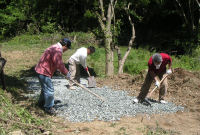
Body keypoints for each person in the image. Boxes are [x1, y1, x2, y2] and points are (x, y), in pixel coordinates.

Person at [35, 38, 71, 115]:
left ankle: (42, 103)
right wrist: (67, 73)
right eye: (67, 48)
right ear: (65, 45)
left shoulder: (54, 47)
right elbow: (59, 64)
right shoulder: (57, 50)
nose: (66, 50)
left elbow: (52, 61)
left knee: (45, 89)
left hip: (41, 70)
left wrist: (57, 70)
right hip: (44, 71)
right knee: (49, 90)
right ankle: (48, 107)